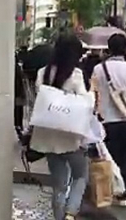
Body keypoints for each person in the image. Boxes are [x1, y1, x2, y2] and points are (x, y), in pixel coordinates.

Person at [30, 34, 95, 220]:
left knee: (58, 184)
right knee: (80, 176)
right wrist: (93, 94)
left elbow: (39, 98)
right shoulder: (75, 74)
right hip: (71, 135)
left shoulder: (43, 72)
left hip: (48, 135)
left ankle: (59, 217)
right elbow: (84, 103)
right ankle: (70, 212)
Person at [92, 33, 126, 205]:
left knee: (107, 156)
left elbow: (93, 94)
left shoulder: (98, 69)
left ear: (109, 48)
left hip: (104, 120)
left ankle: (108, 190)